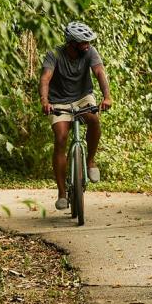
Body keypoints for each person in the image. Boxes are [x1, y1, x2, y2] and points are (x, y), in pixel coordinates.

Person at [41, 20, 112, 211]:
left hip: (82, 97)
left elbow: (99, 73)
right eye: (83, 43)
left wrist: (107, 96)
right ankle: (62, 193)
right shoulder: (54, 54)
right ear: (72, 43)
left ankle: (90, 161)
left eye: (88, 42)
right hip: (58, 101)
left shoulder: (90, 52)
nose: (87, 45)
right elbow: (45, 78)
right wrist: (45, 101)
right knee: (61, 137)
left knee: (94, 120)